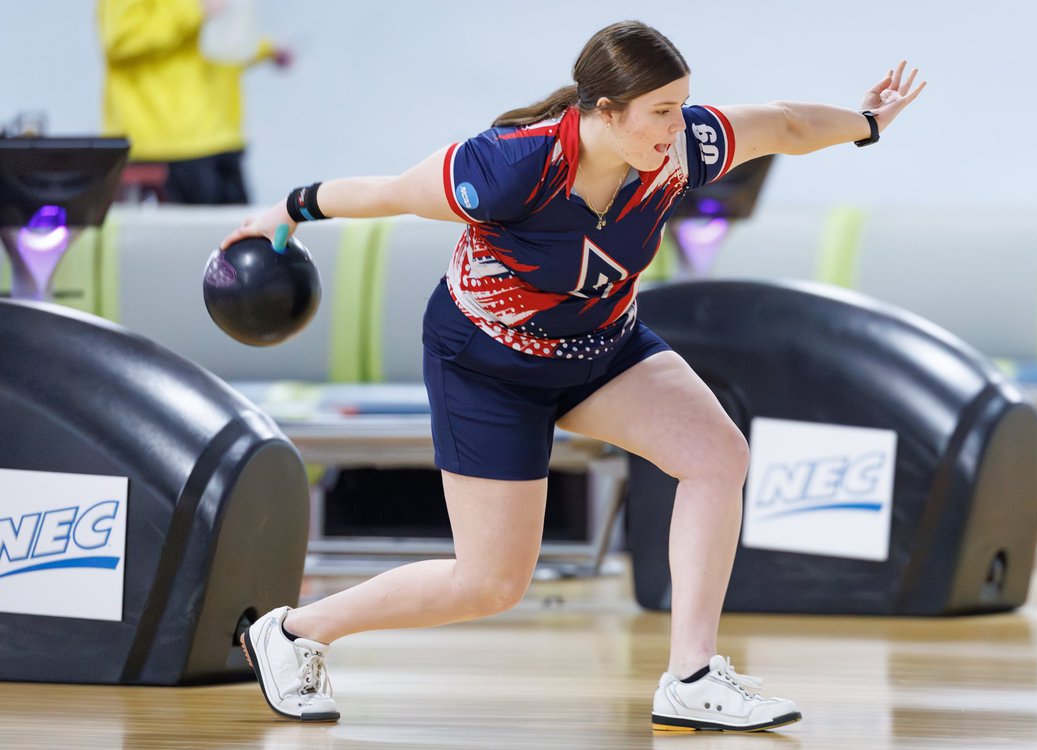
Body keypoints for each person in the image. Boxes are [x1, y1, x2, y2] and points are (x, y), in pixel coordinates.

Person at [223, 20, 925, 732]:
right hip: (487, 365)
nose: (674, 125)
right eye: (658, 111)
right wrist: (286, 211)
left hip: (600, 348)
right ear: (604, 112)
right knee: (490, 583)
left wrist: (867, 122)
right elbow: (390, 194)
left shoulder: (678, 150)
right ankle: (292, 632)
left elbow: (784, 124)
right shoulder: (507, 168)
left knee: (718, 456)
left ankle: (692, 675)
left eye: (680, 106)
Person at [97, 0, 288, 204]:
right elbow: (121, 39)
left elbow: (213, 44)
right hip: (166, 143)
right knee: (189, 235)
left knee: (242, 233)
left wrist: (267, 49)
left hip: (222, 136)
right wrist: (196, 9)